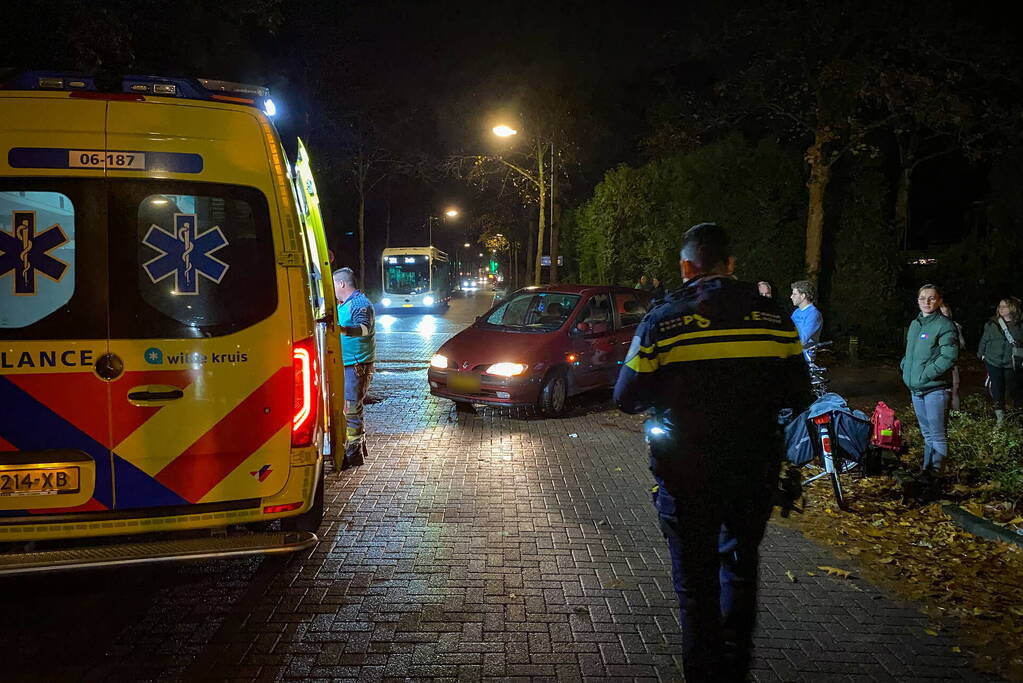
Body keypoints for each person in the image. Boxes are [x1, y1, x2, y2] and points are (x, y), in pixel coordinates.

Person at [614, 223, 810, 683]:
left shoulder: (663, 322)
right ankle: (735, 670)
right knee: (740, 573)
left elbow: (626, 397)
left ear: (686, 267)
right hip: (753, 472)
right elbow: (800, 394)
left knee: (696, 587)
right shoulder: (774, 319)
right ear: (732, 264)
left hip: (686, 475)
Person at [901, 284, 958, 477]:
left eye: (932, 298)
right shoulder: (916, 323)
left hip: (935, 389)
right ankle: (927, 474)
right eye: (922, 298)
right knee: (927, 435)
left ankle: (936, 478)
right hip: (916, 389)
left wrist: (926, 374)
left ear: (939, 300)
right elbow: (910, 352)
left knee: (937, 435)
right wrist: (905, 366)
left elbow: (949, 356)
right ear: (917, 301)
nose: (926, 302)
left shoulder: (944, 325)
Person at [333, 267, 376, 467]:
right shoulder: (344, 304)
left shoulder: (360, 304)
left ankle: (354, 453)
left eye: (333, 284)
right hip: (347, 364)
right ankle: (353, 449)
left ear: (341, 284)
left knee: (351, 408)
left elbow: (364, 328)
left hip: (356, 366)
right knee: (348, 407)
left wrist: (340, 330)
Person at [977, 296, 1023, 425]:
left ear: (1013, 308)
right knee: (996, 388)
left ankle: (1015, 415)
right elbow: (984, 340)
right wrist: (981, 354)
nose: (1001, 309)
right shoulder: (992, 324)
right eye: (1000, 306)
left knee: (1013, 389)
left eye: (1004, 306)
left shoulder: (1020, 326)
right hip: (993, 361)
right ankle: (1000, 418)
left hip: (1012, 363)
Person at [940, 303, 967, 411]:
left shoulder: (955, 326)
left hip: (952, 362)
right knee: (941, 390)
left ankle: (956, 414)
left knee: (955, 387)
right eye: (941, 313)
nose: (943, 315)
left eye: (945, 313)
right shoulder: (932, 327)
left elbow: (962, 344)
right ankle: (943, 414)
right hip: (938, 363)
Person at [789, 280, 823, 360]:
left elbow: (803, 339)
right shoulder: (796, 312)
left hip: (804, 359)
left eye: (794, 294)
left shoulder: (814, 314)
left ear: (803, 296)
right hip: (792, 355)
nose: (791, 297)